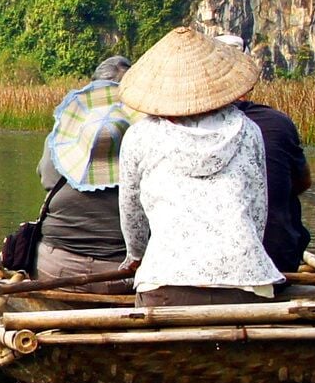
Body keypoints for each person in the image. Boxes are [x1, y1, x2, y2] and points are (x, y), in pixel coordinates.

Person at [116, 27, 284, 309]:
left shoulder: (139, 136)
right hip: (247, 279)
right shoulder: (249, 131)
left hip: (165, 281)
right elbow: (257, 213)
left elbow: (132, 213)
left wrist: (136, 256)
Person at [209, 35, 313, 272]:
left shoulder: (176, 126)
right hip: (275, 262)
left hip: (202, 269)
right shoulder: (277, 123)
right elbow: (302, 182)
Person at [30, 55, 134, 282]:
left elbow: (45, 178)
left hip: (54, 268)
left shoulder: (59, 140)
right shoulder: (143, 142)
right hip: (119, 275)